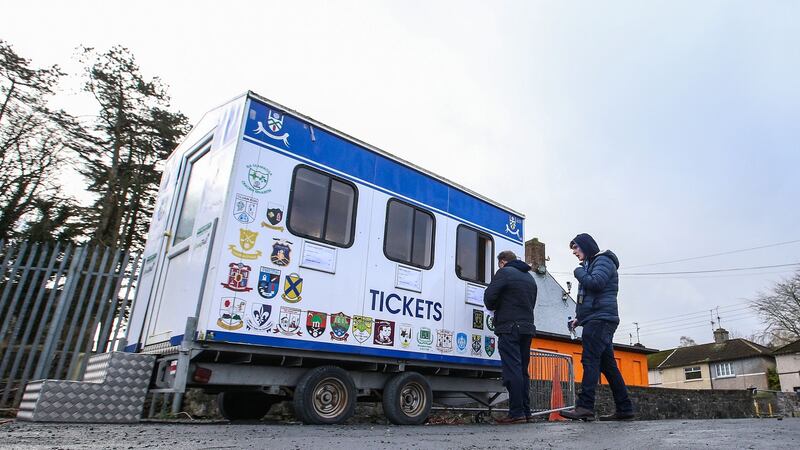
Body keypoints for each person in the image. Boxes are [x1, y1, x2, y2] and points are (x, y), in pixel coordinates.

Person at [560, 233, 635, 421]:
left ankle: (585, 407)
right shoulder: (591, 264)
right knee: (608, 366)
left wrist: (578, 273)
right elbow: (591, 298)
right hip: (598, 318)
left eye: (576, 248)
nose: (574, 252)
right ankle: (625, 408)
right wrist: (579, 319)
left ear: (586, 246)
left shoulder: (603, 261)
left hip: (601, 320)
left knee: (589, 360)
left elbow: (596, 283)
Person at [484, 250, 538, 424]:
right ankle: (526, 411)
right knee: (522, 370)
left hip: (509, 327)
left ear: (502, 262)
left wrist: (497, 306)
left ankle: (516, 413)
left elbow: (489, 298)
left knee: (512, 369)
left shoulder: (504, 272)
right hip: (527, 328)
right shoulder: (530, 278)